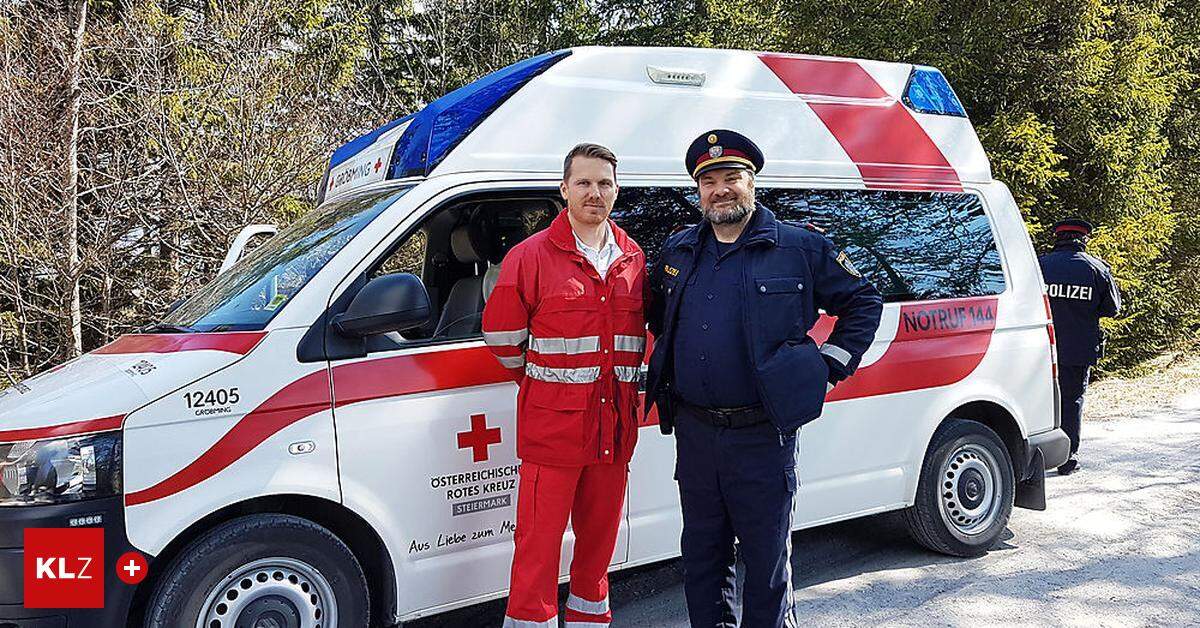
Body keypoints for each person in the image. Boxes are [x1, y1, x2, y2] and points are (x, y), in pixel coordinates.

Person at [645, 129, 883, 627]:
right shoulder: (679, 251)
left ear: (752, 182)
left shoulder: (798, 247)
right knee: (703, 558)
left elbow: (862, 301)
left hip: (762, 435)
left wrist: (828, 366)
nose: (721, 189)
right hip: (695, 435)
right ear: (698, 191)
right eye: (709, 181)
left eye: (732, 177)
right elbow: (655, 317)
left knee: (767, 564)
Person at [482, 143, 647, 628]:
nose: (594, 193)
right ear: (564, 189)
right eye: (584, 183)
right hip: (551, 434)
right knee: (537, 551)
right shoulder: (529, 257)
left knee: (597, 554)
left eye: (604, 183)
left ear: (616, 190)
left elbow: (639, 344)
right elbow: (505, 340)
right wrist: (546, 386)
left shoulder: (633, 258)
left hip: (613, 434)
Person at [1038, 218, 1121, 475]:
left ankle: (1036, 456)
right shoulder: (1096, 269)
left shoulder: (1039, 265)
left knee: (1040, 399)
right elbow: (1113, 309)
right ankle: (1068, 458)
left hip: (1039, 349)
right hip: (1077, 348)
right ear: (1083, 239)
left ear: (1057, 238)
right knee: (1072, 400)